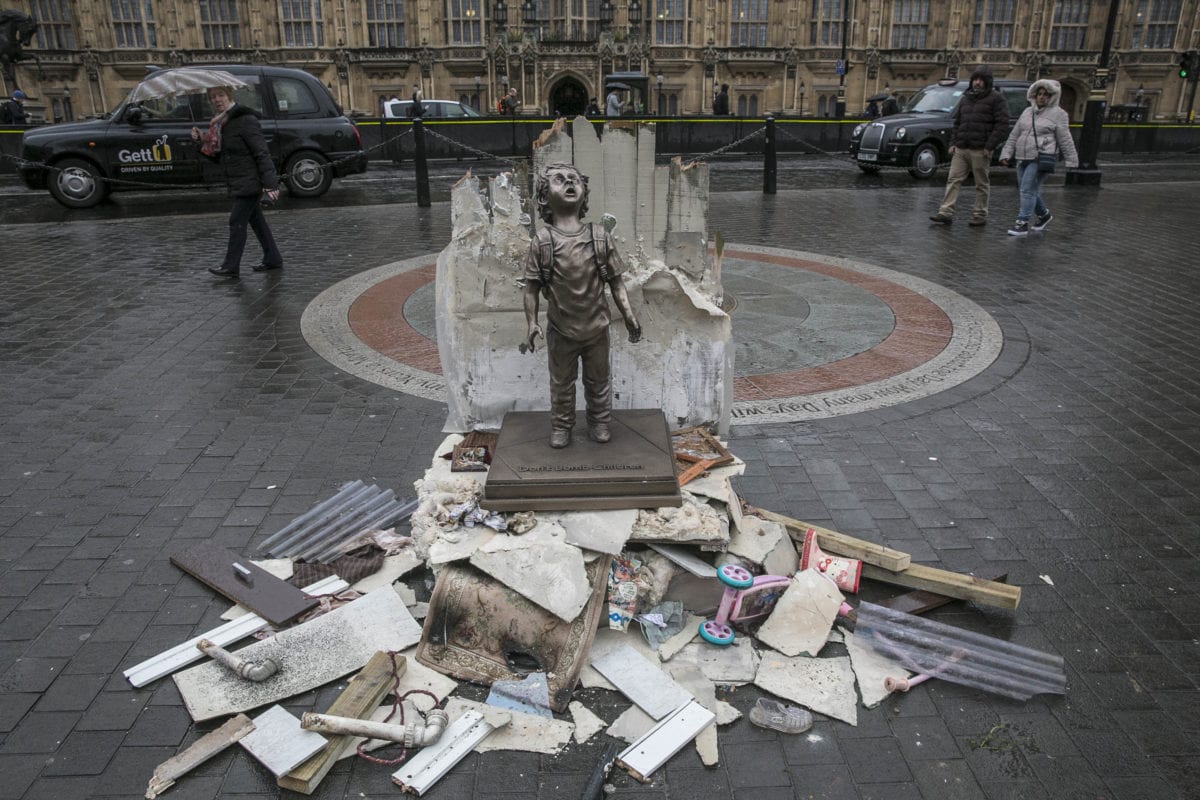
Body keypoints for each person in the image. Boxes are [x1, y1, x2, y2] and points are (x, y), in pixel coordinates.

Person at [522, 163, 642, 449]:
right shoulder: (543, 241)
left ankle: (600, 422)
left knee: (598, 380)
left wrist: (629, 316)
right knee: (561, 383)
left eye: (574, 180)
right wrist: (531, 322)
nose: (569, 183)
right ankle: (562, 425)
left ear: (584, 192)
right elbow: (531, 289)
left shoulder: (599, 237)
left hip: (597, 327)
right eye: (560, 180)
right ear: (543, 197)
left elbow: (616, 283)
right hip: (561, 329)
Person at [192, 86, 282, 278]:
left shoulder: (245, 120)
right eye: (213, 97)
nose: (217, 100)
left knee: (236, 221)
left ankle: (230, 266)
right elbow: (220, 157)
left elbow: (261, 152)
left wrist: (270, 183)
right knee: (256, 221)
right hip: (239, 180)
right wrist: (201, 142)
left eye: (221, 95)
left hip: (251, 180)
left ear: (230, 96)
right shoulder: (220, 124)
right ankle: (273, 258)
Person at [929, 66, 1010, 227]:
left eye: (981, 80)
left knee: (981, 183)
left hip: (981, 148)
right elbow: (958, 123)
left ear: (987, 82)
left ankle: (980, 214)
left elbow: (1002, 125)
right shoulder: (966, 99)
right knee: (953, 179)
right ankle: (945, 212)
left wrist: (989, 146)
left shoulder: (996, 99)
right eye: (975, 79)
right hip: (962, 147)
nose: (977, 83)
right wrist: (953, 143)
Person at [999, 79, 1078, 237]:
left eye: (1046, 95)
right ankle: (1044, 215)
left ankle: (1022, 223)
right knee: (1029, 190)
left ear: (1053, 96)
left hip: (1042, 157)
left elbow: (1065, 138)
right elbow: (1015, 134)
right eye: (1039, 94)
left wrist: (1071, 160)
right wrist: (1006, 153)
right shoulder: (1027, 112)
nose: (1042, 97)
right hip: (1023, 156)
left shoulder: (1059, 114)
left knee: (1027, 189)